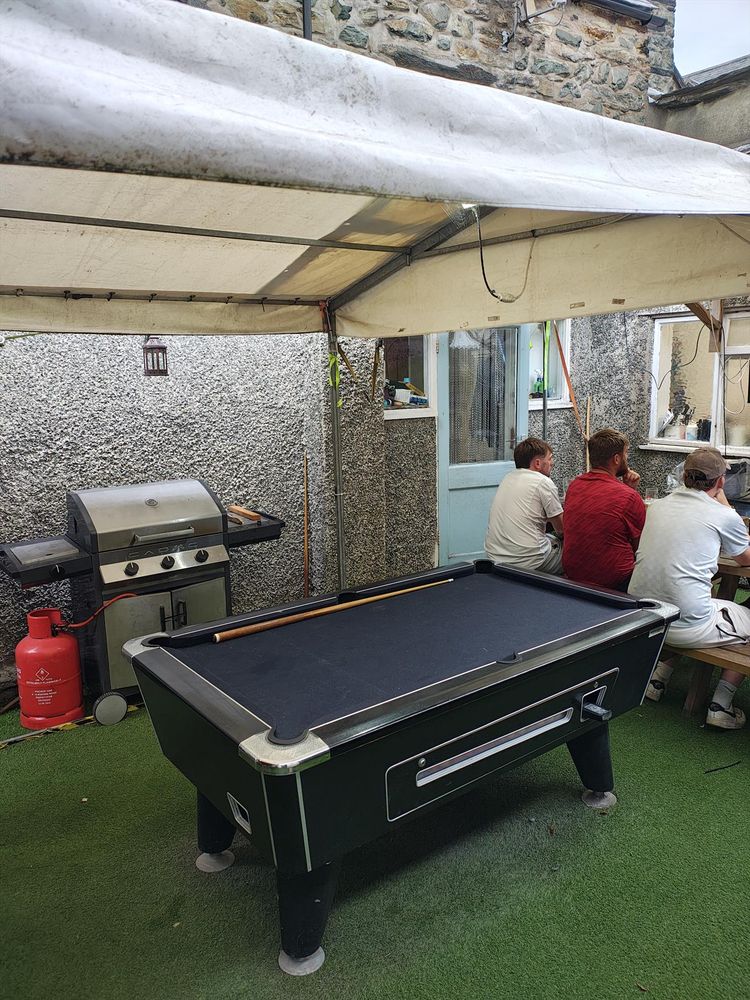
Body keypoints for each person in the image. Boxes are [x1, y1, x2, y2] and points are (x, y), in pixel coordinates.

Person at [628, 447, 750, 730]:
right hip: (685, 625)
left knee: (693, 601)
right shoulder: (723, 516)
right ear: (720, 482)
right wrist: (725, 505)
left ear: (684, 476)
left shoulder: (657, 506)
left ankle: (658, 679)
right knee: (721, 615)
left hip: (644, 617)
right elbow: (744, 558)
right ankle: (720, 705)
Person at [563, 429, 646, 592]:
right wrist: (631, 492)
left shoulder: (574, 486)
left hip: (573, 573)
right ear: (616, 459)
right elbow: (642, 547)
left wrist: (627, 489)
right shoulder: (628, 497)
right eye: (626, 454)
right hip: (614, 580)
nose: (627, 458)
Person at [485, 437, 563, 574]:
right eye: (550, 458)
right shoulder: (543, 482)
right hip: (532, 563)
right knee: (576, 549)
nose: (553, 463)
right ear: (537, 463)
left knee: (549, 537)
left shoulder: (508, 478)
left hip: (495, 558)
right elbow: (562, 529)